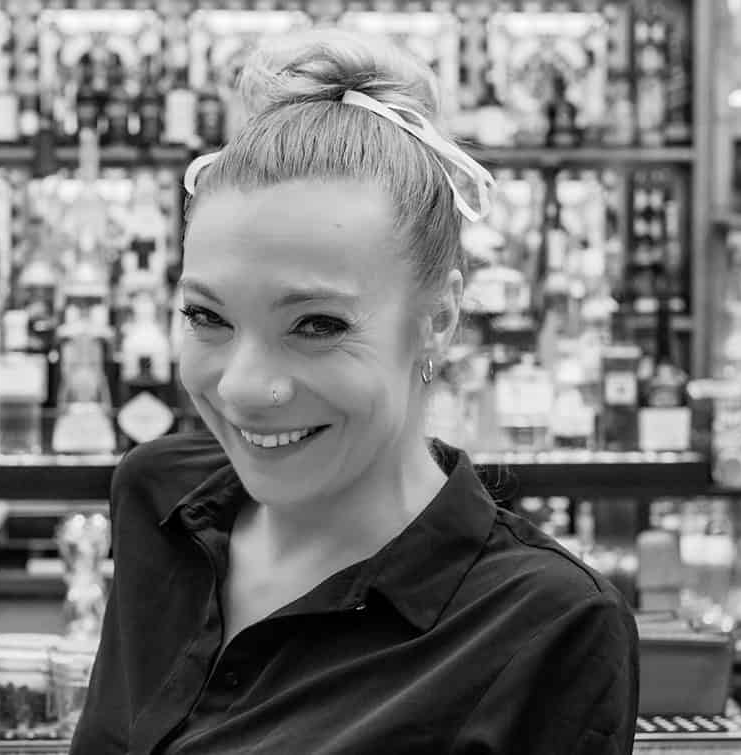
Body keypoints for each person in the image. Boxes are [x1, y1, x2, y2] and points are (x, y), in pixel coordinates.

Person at [70, 27, 638, 755]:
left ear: (438, 321)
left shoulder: (546, 626)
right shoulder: (159, 499)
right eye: (207, 317)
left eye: (317, 325)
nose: (244, 387)